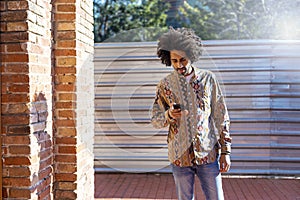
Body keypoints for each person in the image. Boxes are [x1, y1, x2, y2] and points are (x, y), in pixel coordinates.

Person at [151, 27, 232, 200]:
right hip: (179, 157)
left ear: (191, 55)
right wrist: (169, 115)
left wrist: (226, 152)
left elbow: (221, 116)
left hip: (207, 154)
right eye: (174, 61)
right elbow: (155, 119)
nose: (179, 65)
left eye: (183, 60)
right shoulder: (164, 85)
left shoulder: (208, 79)